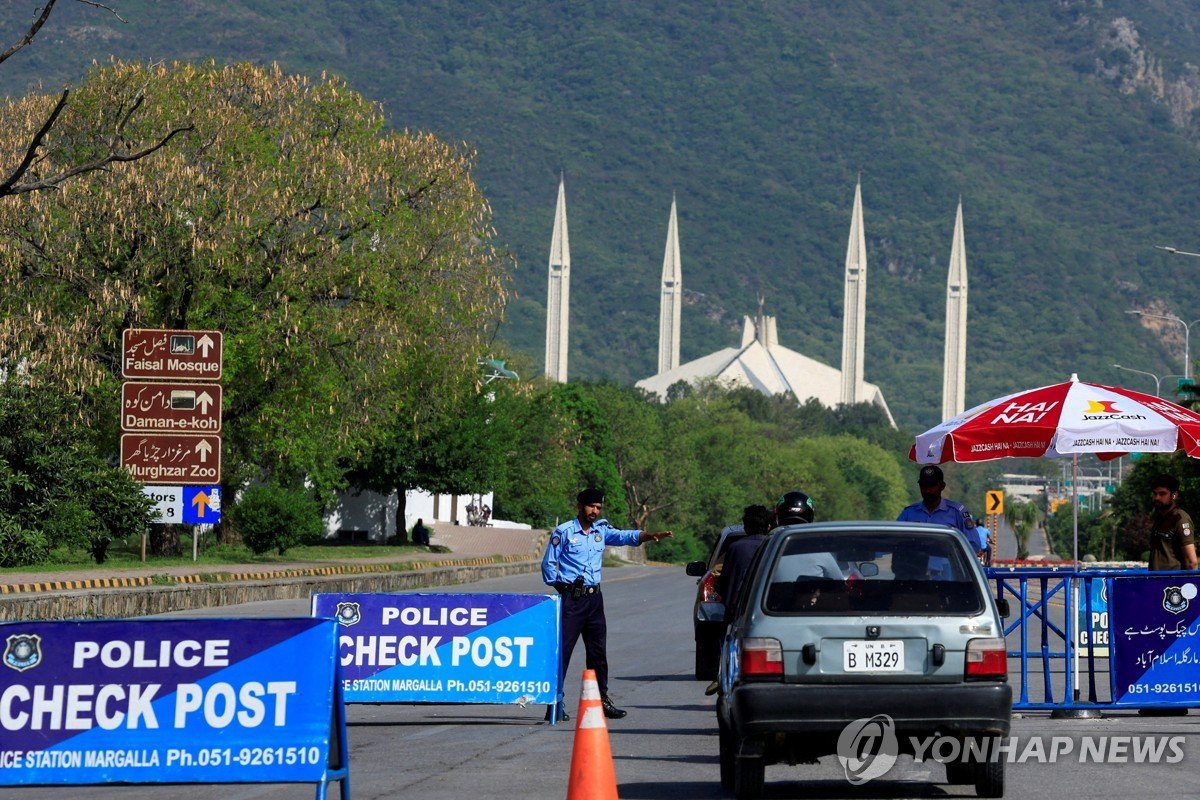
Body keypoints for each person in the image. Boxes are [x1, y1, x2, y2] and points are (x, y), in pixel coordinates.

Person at [541, 487, 673, 722]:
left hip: (594, 600)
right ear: (580, 506)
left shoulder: (600, 530)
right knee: (563, 652)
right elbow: (549, 565)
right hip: (573, 599)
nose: (595, 511)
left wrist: (649, 535)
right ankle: (555, 703)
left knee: (598, 653)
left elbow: (625, 537)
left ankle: (601, 701)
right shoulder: (564, 531)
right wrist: (563, 588)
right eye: (591, 506)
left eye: (598, 507)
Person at [897, 465, 989, 557]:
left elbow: (974, 544)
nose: (927, 490)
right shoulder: (909, 513)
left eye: (932, 486)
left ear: (942, 486)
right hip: (914, 564)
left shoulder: (957, 512)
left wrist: (949, 552)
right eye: (923, 486)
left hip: (947, 565)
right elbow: (894, 539)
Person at [1148, 474, 1197, 571]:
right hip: (1155, 578)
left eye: (1162, 494)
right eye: (1155, 493)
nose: (1157, 498)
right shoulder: (1160, 518)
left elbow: (1192, 562)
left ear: (1174, 495)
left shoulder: (1180, 519)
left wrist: (1189, 580)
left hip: (1172, 579)